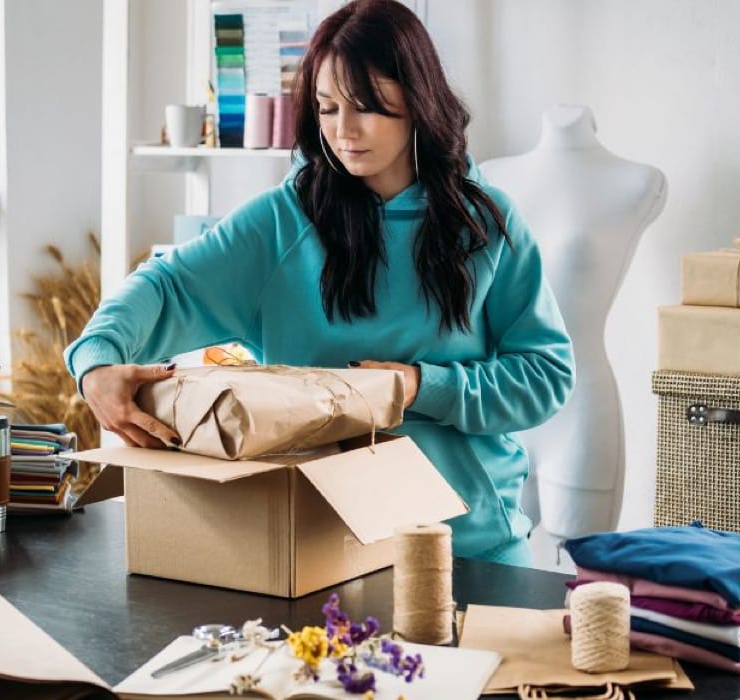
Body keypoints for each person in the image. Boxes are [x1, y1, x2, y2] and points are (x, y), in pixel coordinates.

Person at [64, 0, 573, 567]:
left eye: (365, 108)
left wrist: (417, 386)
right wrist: (96, 361)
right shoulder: (284, 221)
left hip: (472, 542)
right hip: (318, 547)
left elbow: (545, 375)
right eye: (327, 109)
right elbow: (166, 285)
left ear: (418, 102)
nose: (343, 132)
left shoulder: (486, 225)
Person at [482, 105, 667, 541]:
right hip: (505, 400)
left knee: (583, 585)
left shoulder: (638, 181)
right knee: (497, 575)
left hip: (580, 405)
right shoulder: (493, 176)